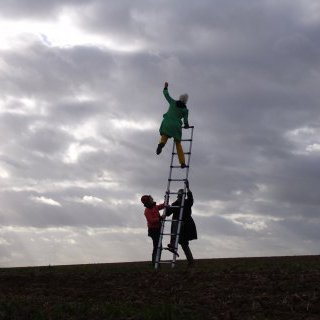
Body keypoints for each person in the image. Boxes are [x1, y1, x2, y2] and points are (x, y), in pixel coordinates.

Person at [156, 82, 190, 168]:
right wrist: (186, 125)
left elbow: (166, 95)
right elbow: (186, 121)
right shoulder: (185, 110)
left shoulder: (173, 102)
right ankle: (182, 162)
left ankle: (161, 144)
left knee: (165, 135)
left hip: (167, 122)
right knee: (178, 144)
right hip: (176, 126)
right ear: (185, 102)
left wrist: (165, 87)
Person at [165, 179, 197, 266]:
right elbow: (167, 213)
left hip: (185, 226)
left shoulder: (187, 202)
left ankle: (191, 262)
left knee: (184, 244)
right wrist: (166, 204)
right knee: (182, 243)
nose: (180, 198)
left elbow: (190, 198)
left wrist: (188, 188)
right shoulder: (177, 203)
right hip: (178, 226)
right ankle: (173, 244)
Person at [141, 195, 165, 266]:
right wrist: (160, 218)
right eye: (151, 199)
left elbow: (160, 207)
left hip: (158, 229)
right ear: (148, 201)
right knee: (157, 246)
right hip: (153, 230)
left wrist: (165, 203)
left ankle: (156, 262)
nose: (152, 199)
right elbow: (151, 221)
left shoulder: (154, 207)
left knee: (158, 246)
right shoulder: (147, 211)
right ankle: (155, 262)